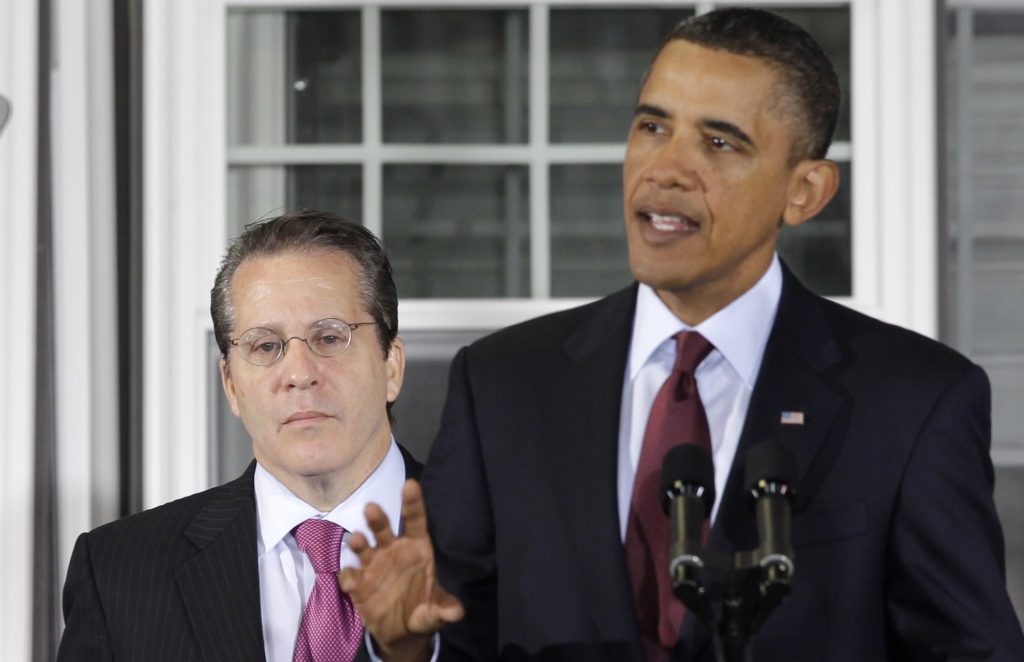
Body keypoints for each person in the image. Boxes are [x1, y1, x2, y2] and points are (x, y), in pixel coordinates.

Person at [340, 8, 1024, 662]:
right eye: (652, 127)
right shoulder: (503, 383)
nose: (665, 168)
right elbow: (462, 634)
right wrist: (410, 647)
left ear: (806, 191)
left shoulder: (914, 401)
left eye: (720, 142)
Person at [56, 210, 462, 661]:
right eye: (265, 346)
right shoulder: (119, 572)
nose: (299, 373)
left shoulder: (504, 549)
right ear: (231, 385)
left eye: (329, 337)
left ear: (391, 366)